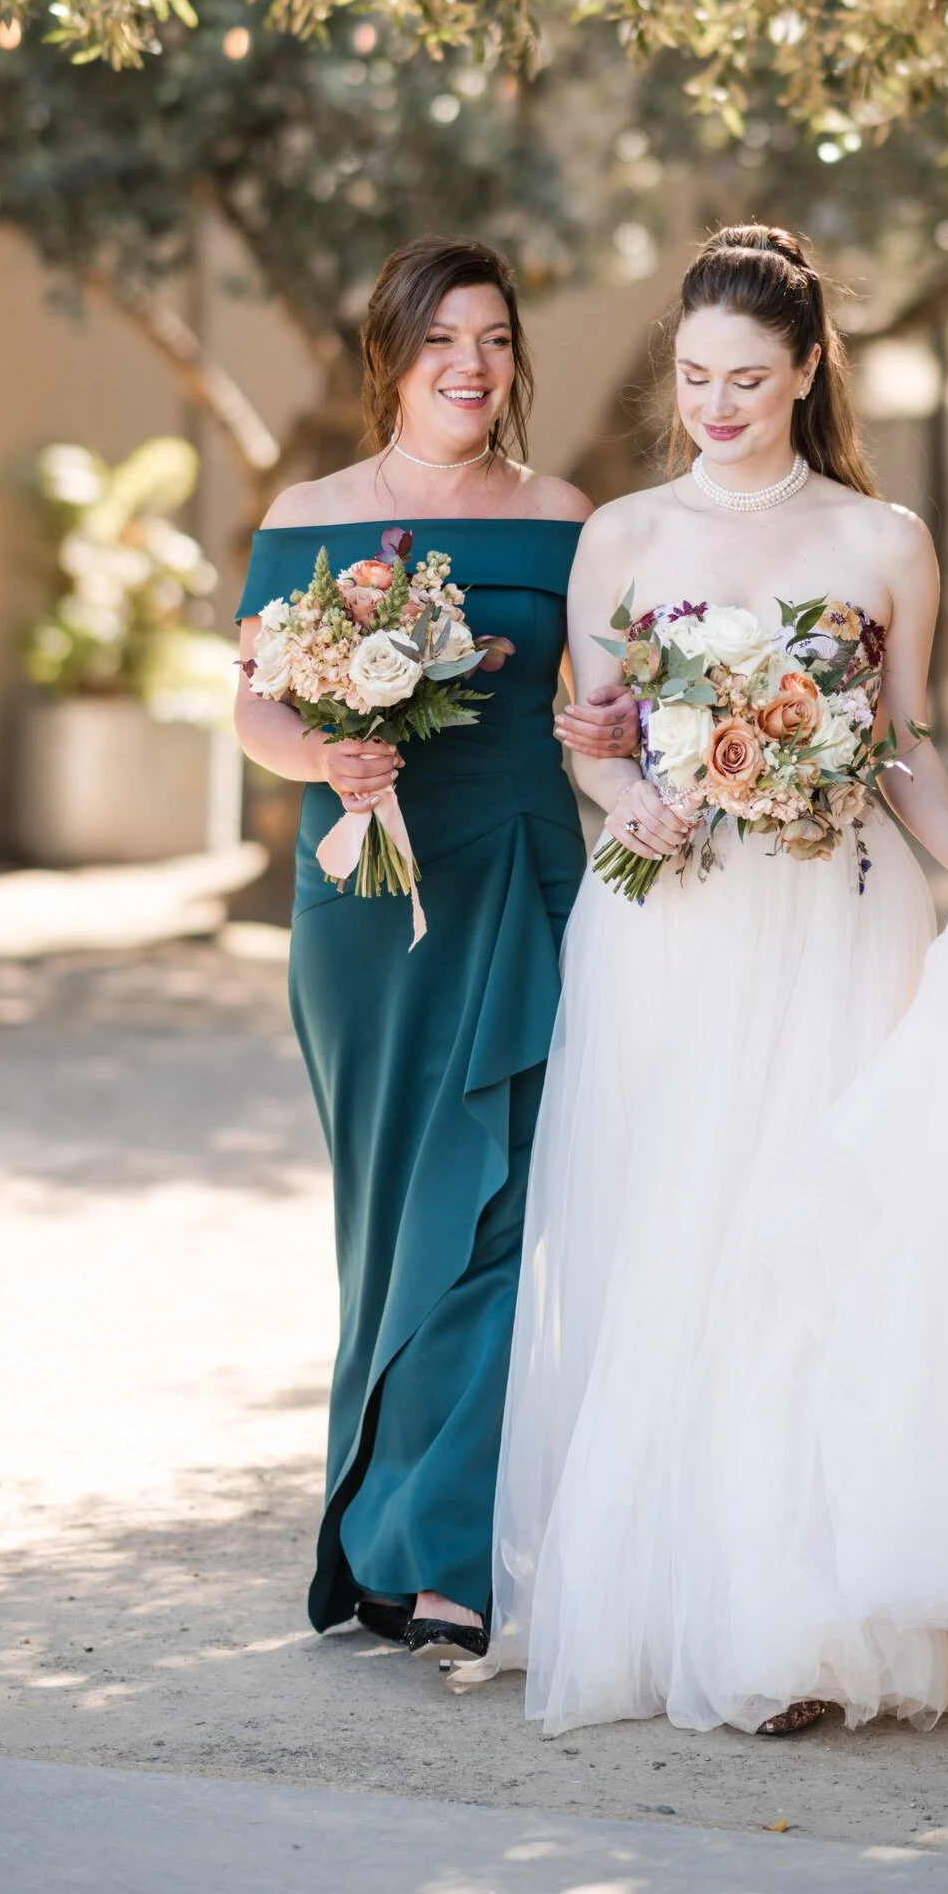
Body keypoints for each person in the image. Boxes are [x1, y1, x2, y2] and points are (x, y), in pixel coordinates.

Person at [472, 223, 948, 1734]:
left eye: (744, 377)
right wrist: (632, 801)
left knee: (816, 1236)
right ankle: (682, 1603)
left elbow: (906, 740)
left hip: (836, 917)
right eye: (691, 377)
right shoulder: (624, 534)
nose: (714, 405)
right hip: (667, 921)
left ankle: (798, 1623)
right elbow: (584, 729)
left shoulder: (883, 543)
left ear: (804, 372)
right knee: (678, 1238)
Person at [232, 235, 635, 1659]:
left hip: (520, 880)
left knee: (505, 1204)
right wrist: (322, 757)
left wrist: (615, 737)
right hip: (365, 905)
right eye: (441, 341)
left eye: (495, 341)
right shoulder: (312, 513)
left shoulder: (566, 518)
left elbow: (600, 708)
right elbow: (253, 705)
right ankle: (368, 1541)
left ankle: (441, 1555)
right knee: (389, 1217)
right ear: (391, 358)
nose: (471, 366)